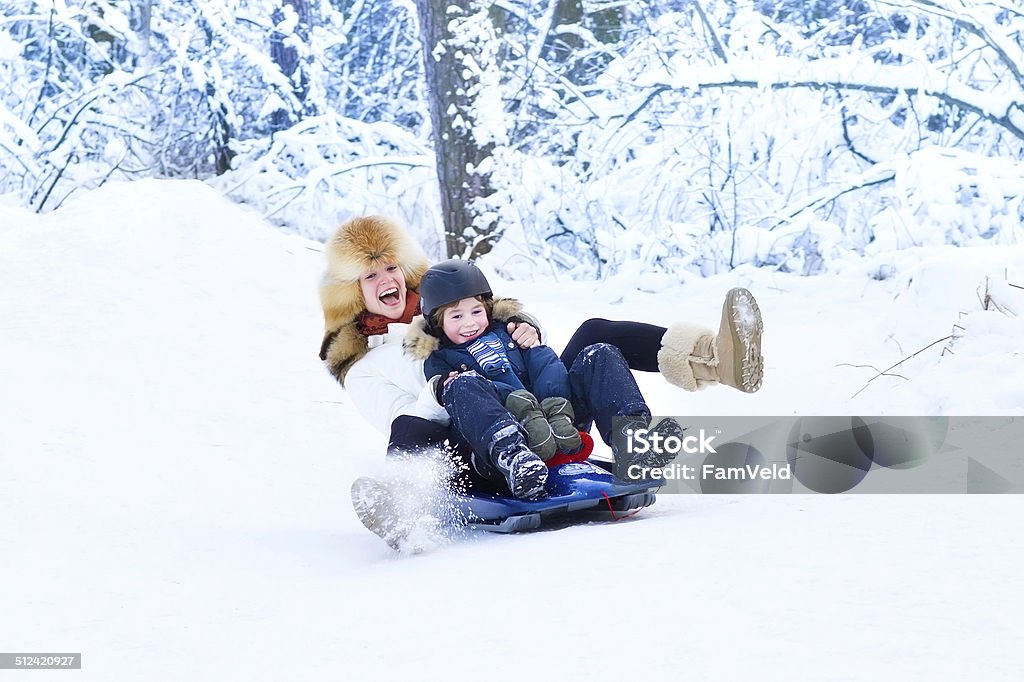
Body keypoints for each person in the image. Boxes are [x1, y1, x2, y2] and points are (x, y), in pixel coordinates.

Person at [318, 215, 764, 493]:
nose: (385, 280)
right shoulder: (364, 368)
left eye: (391, 267)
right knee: (415, 428)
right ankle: (404, 505)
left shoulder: (451, 307)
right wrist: (446, 386)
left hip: (545, 414)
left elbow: (523, 354)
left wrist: (523, 328)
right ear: (352, 292)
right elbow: (408, 426)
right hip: (479, 444)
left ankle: (713, 361)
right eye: (369, 275)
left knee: (595, 336)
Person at [421, 259, 583, 464]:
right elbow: (459, 401)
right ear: (437, 323)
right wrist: (519, 405)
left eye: (477, 312)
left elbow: (544, 365)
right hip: (498, 439)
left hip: (557, 419)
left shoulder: (508, 331)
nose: (469, 322)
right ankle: (516, 459)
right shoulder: (439, 358)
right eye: (456, 316)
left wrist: (555, 403)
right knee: (462, 384)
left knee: (597, 354)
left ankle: (633, 457)